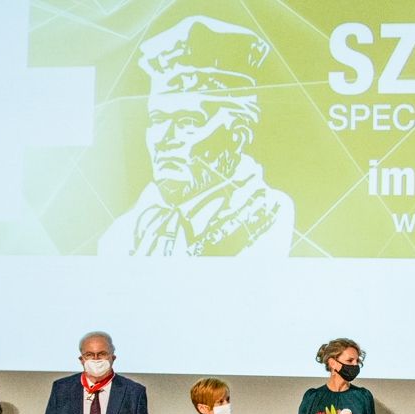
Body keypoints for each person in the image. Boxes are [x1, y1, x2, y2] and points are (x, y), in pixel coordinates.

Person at [97, 15, 294, 257]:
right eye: (158, 119)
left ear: (237, 136)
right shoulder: (130, 227)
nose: (163, 139)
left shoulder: (268, 215)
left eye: (187, 122)